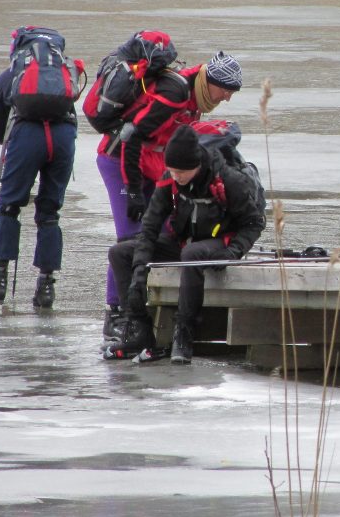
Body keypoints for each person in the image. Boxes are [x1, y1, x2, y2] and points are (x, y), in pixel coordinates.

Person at [97, 50, 243, 339]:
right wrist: (135, 190)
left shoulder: (196, 97)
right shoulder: (176, 93)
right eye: (225, 90)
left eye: (232, 92)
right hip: (121, 162)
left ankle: (152, 302)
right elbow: (132, 137)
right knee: (130, 239)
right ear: (209, 80)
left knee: (165, 234)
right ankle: (115, 313)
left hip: (153, 165)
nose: (227, 97)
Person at [105, 125, 266, 364]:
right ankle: (138, 329)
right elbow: (149, 228)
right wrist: (139, 275)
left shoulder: (229, 180)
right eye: (172, 170)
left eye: (182, 172)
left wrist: (233, 251)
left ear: (197, 165)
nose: (176, 176)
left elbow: (254, 223)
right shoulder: (170, 179)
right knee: (120, 252)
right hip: (183, 239)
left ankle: (184, 331)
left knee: (192, 254)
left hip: (219, 242)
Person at [0, 32, 79, 309]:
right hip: (63, 139)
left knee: (9, 206)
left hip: (27, 139)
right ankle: (46, 288)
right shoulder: (65, 72)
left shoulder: (11, 75)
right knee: (49, 213)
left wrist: (13, 146)